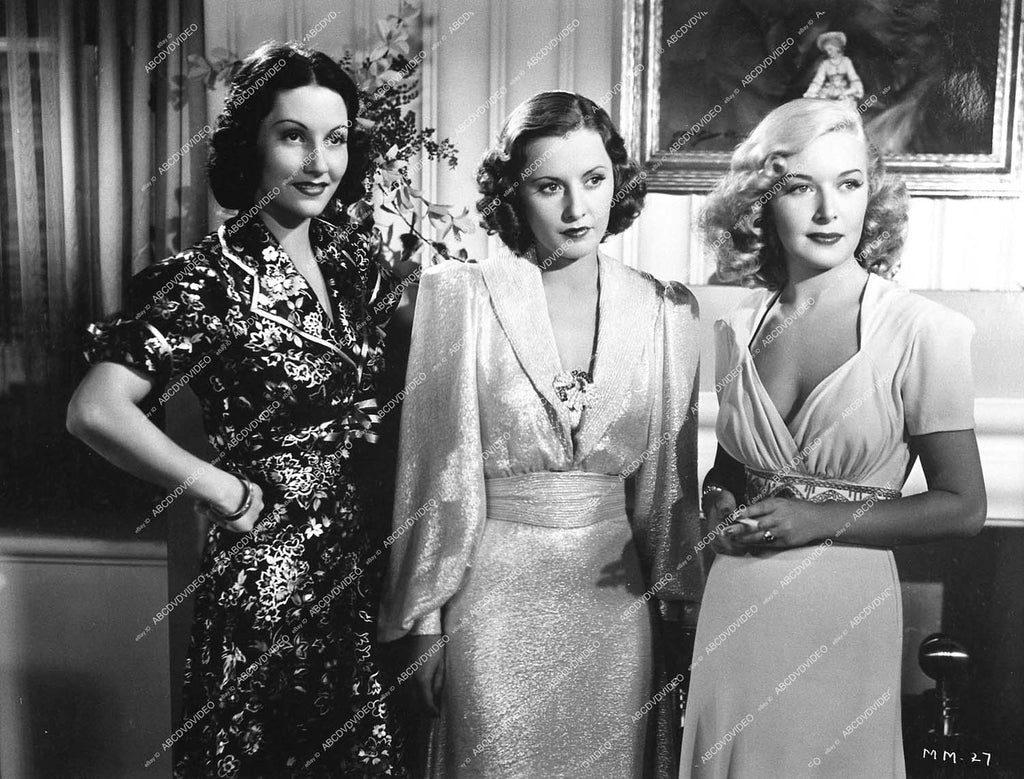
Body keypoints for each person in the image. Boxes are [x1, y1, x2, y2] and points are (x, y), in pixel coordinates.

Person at [67, 42, 407, 776]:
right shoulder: (206, 278)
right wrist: (222, 489)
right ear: (251, 143)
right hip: (265, 577)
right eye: (293, 136)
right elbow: (95, 410)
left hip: (357, 562)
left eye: (335, 139)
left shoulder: (355, 264)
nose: (319, 162)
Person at [378, 91, 705, 777]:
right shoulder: (457, 299)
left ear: (618, 181)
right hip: (491, 603)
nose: (577, 208)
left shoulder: (664, 310)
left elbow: (668, 491)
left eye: (594, 179)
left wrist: (681, 612)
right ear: (513, 194)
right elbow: (434, 476)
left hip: (615, 606)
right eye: (549, 186)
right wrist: (424, 622)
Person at [679, 98, 986, 777]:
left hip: (843, 609)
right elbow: (729, 470)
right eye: (800, 187)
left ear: (871, 196)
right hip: (736, 604)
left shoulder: (923, 331)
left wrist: (818, 519)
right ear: (762, 202)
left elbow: (964, 506)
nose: (828, 210)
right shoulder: (739, 327)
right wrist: (719, 504)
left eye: (848, 184)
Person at [804, 31, 864, 101]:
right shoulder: (825, 64)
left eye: (830, 49)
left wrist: (857, 88)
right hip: (829, 92)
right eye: (826, 50)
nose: (828, 52)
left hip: (844, 91)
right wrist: (810, 92)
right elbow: (818, 80)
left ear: (837, 48)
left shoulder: (846, 61)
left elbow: (853, 77)